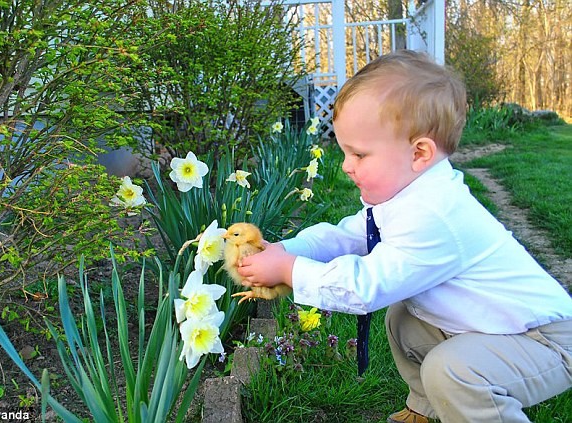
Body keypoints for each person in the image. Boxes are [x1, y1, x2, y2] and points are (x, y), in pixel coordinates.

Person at [237, 49, 572, 423]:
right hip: (497, 328)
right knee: (404, 320)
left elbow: (366, 288)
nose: (346, 166)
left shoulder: (435, 215)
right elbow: (348, 237)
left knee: (453, 370)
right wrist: (286, 249)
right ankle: (424, 411)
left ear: (419, 153)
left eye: (359, 155)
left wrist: (289, 270)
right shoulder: (409, 193)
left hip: (544, 341)